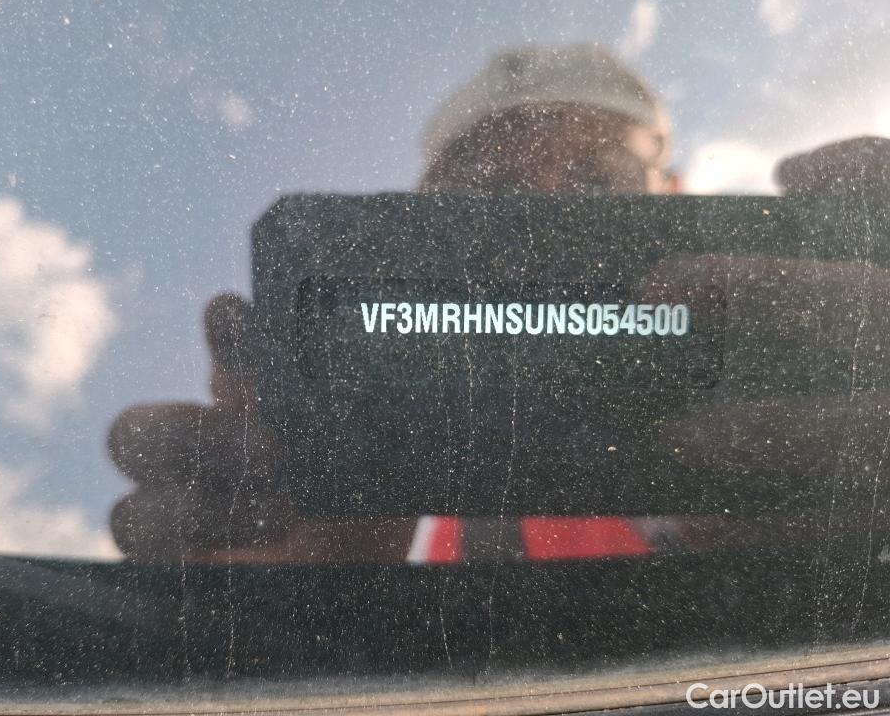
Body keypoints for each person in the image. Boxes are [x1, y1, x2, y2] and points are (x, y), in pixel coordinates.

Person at [108, 43, 890, 564]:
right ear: (418, 249)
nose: (542, 218)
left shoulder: (838, 366)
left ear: (677, 198)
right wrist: (312, 617)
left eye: (596, 180)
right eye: (486, 198)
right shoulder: (438, 537)